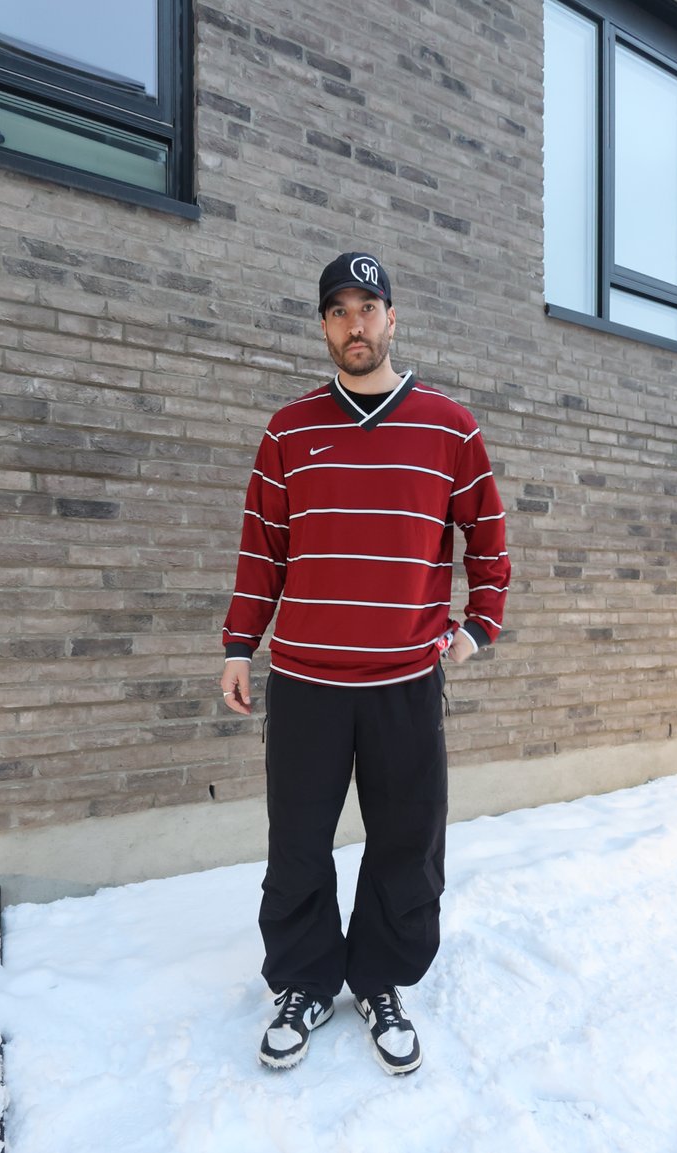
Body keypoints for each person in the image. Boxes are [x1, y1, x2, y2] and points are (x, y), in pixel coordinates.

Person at [220, 251, 510, 1074]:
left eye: (368, 307)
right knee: (300, 843)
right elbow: (260, 551)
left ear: (393, 317)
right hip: (307, 682)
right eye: (339, 310)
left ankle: (381, 977)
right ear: (323, 325)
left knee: (407, 840)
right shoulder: (288, 429)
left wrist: (478, 626)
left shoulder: (451, 428)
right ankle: (306, 982)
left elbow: (487, 541)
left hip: (405, 684)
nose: (356, 324)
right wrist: (240, 644)